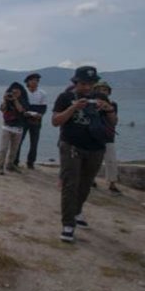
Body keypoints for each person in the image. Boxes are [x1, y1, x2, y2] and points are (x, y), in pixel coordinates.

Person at [52, 66, 117, 243]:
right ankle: (68, 224)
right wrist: (73, 108)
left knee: (86, 184)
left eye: (91, 83)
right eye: (83, 83)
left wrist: (108, 109)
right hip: (71, 146)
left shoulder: (101, 98)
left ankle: (77, 209)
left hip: (96, 147)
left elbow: (113, 122)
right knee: (70, 185)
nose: (87, 87)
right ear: (75, 82)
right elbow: (55, 121)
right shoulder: (65, 97)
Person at [14, 73, 48, 169]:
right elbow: (20, 106)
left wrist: (40, 115)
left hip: (36, 120)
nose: (35, 82)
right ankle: (15, 160)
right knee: (19, 141)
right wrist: (24, 113)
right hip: (24, 119)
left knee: (34, 142)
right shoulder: (23, 93)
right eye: (33, 80)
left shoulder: (42, 93)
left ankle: (31, 162)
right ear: (28, 82)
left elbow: (44, 108)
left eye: (37, 80)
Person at [94, 81, 121, 193]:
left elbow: (114, 121)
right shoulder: (91, 103)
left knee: (111, 160)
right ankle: (91, 179)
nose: (103, 92)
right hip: (94, 135)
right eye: (101, 90)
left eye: (105, 90)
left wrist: (109, 109)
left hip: (108, 135)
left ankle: (112, 183)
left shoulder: (112, 104)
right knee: (94, 160)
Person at [0, 82, 27, 175]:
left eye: (16, 92)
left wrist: (15, 100)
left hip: (18, 128)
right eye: (12, 92)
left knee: (14, 149)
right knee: (3, 148)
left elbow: (20, 109)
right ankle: (0, 167)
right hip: (7, 127)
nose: (14, 94)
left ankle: (10, 165)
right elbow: (2, 109)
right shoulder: (7, 100)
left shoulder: (23, 100)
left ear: (20, 92)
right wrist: (5, 100)